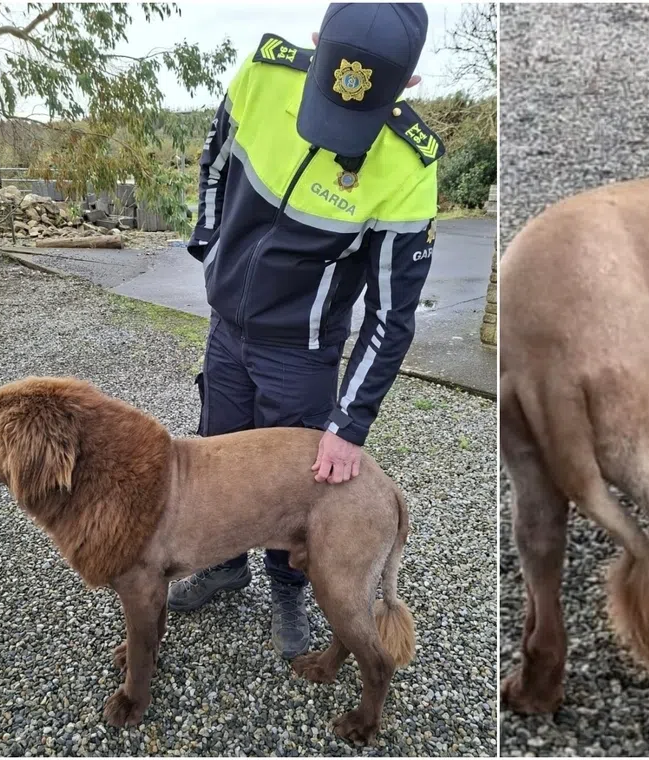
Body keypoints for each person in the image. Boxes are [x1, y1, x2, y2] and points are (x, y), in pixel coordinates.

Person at [172, 2, 443, 658]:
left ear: (405, 87)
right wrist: (209, 242)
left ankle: (289, 590)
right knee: (217, 452)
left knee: (297, 487)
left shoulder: (408, 165)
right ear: (317, 44)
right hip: (226, 329)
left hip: (302, 351)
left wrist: (350, 425)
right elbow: (214, 161)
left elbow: (390, 314)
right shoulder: (263, 76)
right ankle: (224, 565)